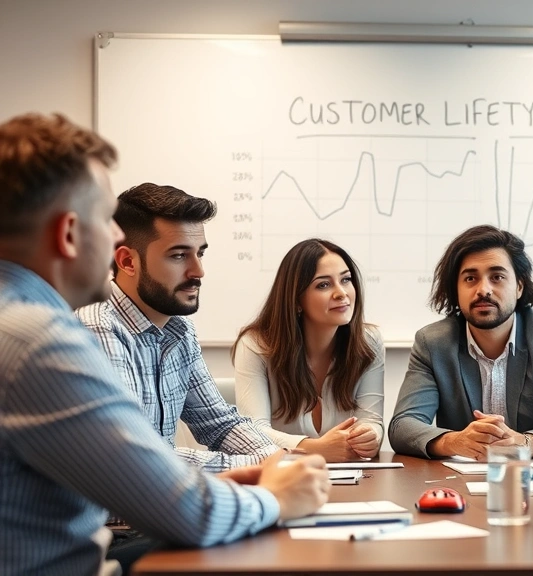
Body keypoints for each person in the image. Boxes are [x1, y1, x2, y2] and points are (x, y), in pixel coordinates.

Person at [0, 112, 330, 576]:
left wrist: (258, 468)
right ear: (69, 233)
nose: (115, 234)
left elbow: (206, 435)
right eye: (104, 219)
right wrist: (274, 495)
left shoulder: (23, 324)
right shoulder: (39, 341)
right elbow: (186, 510)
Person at [76, 183, 277, 472]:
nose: (198, 271)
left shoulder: (179, 330)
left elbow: (219, 423)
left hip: (155, 509)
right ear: (127, 261)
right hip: (110, 515)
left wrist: (273, 457)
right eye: (179, 255)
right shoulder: (97, 328)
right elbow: (136, 456)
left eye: (201, 254)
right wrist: (255, 466)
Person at [389, 224, 533, 460]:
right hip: (459, 481)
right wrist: (455, 441)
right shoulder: (433, 343)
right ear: (455, 290)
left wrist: (526, 443)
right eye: (470, 278)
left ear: (519, 286)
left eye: (497, 277)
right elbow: (402, 426)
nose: (483, 290)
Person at [232, 239, 385, 461]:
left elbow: (371, 420)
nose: (341, 293)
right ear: (296, 300)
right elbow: (253, 433)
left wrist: (370, 436)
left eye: (346, 279)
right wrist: (314, 448)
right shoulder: (255, 345)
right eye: (323, 285)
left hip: (351, 480)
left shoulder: (369, 341)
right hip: (280, 482)